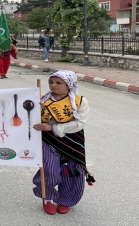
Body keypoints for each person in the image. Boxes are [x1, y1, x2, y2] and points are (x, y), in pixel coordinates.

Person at [32, 70, 94, 215]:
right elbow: (31, 120)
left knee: (71, 172)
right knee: (50, 170)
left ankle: (65, 200)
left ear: (69, 85)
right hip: (48, 140)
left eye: (58, 83)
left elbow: (80, 123)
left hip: (71, 141)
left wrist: (53, 127)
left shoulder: (79, 101)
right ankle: (47, 198)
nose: (53, 86)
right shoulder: (41, 100)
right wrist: (35, 111)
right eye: (51, 82)